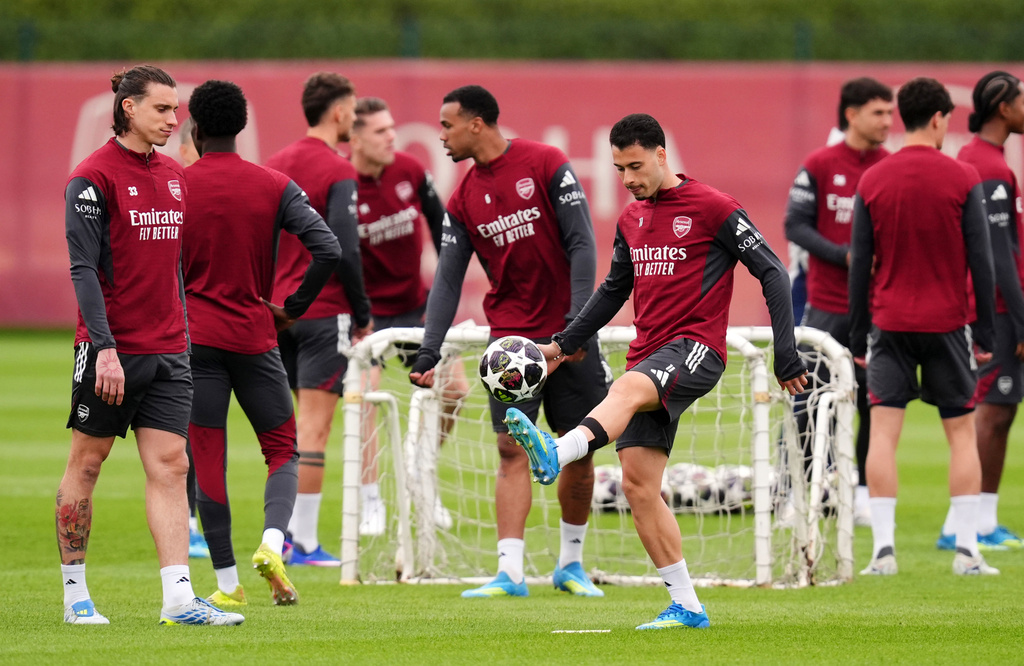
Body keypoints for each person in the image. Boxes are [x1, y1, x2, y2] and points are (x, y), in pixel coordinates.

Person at [504, 113, 807, 630]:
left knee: (624, 388)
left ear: (663, 155)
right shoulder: (631, 218)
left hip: (696, 350)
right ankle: (687, 604)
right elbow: (612, 290)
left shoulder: (715, 208)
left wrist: (786, 353)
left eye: (637, 166)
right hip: (649, 353)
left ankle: (560, 450)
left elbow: (773, 272)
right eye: (620, 169)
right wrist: (562, 344)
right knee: (639, 485)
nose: (628, 179)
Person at [58, 64, 242, 626]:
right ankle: (74, 596)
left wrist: (182, 334)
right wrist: (106, 347)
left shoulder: (174, 174)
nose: (174, 119)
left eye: (176, 109)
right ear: (129, 108)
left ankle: (179, 600)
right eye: (162, 108)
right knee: (88, 466)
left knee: (171, 465)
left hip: (169, 349)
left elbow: (175, 266)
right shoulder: (92, 179)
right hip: (111, 351)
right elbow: (83, 269)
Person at [409, 85, 610, 598]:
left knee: (580, 452)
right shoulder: (462, 198)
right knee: (509, 448)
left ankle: (570, 564)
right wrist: (430, 349)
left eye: (447, 124)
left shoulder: (546, 163)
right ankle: (511, 573)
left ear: (476, 123)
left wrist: (578, 326)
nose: (441, 134)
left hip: (571, 335)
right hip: (511, 344)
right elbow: (449, 278)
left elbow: (582, 241)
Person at [182, 80, 342, 606]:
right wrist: (292, 308)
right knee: (282, 450)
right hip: (254, 337)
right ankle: (274, 542)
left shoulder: (176, 188)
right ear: (242, 127)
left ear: (196, 129)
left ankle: (227, 586)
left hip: (194, 341)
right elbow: (328, 248)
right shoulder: (274, 184)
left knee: (208, 458)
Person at [849, 77, 998, 576]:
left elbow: (859, 264)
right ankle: (966, 552)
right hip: (947, 323)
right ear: (937, 118)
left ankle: (882, 553)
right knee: (960, 435)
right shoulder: (962, 177)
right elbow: (983, 261)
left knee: (883, 436)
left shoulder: (872, 179)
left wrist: (857, 333)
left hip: (888, 324)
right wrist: (986, 333)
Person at [266, 72, 373, 567]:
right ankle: (300, 541)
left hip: (277, 313)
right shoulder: (338, 169)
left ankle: (282, 536)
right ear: (337, 112)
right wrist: (363, 312)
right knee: (314, 431)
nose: (354, 118)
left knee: (286, 431)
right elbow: (345, 248)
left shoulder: (275, 165)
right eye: (352, 110)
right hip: (324, 309)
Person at [349, 96, 468, 534]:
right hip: (365, 316)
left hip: (416, 306)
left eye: (392, 128)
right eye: (380, 131)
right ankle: (371, 500)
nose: (391, 138)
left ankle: (422, 473)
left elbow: (445, 234)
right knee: (363, 397)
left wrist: (442, 302)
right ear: (355, 137)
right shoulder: (342, 184)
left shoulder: (410, 171)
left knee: (455, 390)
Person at [784, 77, 894, 527]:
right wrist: (846, 255)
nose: (888, 122)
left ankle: (862, 491)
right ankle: (799, 492)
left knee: (873, 400)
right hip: (826, 306)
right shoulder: (821, 163)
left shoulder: (890, 166)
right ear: (850, 114)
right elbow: (795, 225)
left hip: (877, 309)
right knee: (806, 400)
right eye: (879, 113)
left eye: (890, 113)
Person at [936, 71, 1024, 551]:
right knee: (991, 410)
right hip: (994, 308)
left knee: (1002, 409)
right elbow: (998, 253)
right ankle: (963, 527)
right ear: (1003, 109)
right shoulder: (987, 166)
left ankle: (982, 519)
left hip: (996, 305)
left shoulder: (983, 159)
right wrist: (1019, 316)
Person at [175, 115, 211, 560]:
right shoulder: (174, 192)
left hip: (201, 322)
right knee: (183, 426)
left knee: (199, 424)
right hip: (178, 325)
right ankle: (186, 521)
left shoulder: (196, 191)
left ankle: (193, 520)